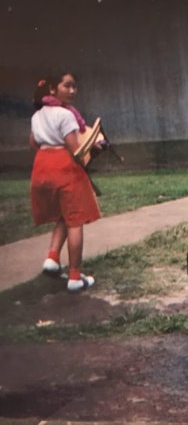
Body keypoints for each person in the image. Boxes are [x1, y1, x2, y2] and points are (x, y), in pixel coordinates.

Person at [30, 71, 101, 292]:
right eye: (67, 86)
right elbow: (75, 148)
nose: (72, 91)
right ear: (52, 89)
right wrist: (94, 146)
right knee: (75, 221)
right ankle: (75, 276)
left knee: (63, 215)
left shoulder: (37, 115)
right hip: (64, 167)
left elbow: (33, 143)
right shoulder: (66, 115)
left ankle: (52, 258)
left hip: (42, 167)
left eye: (74, 87)